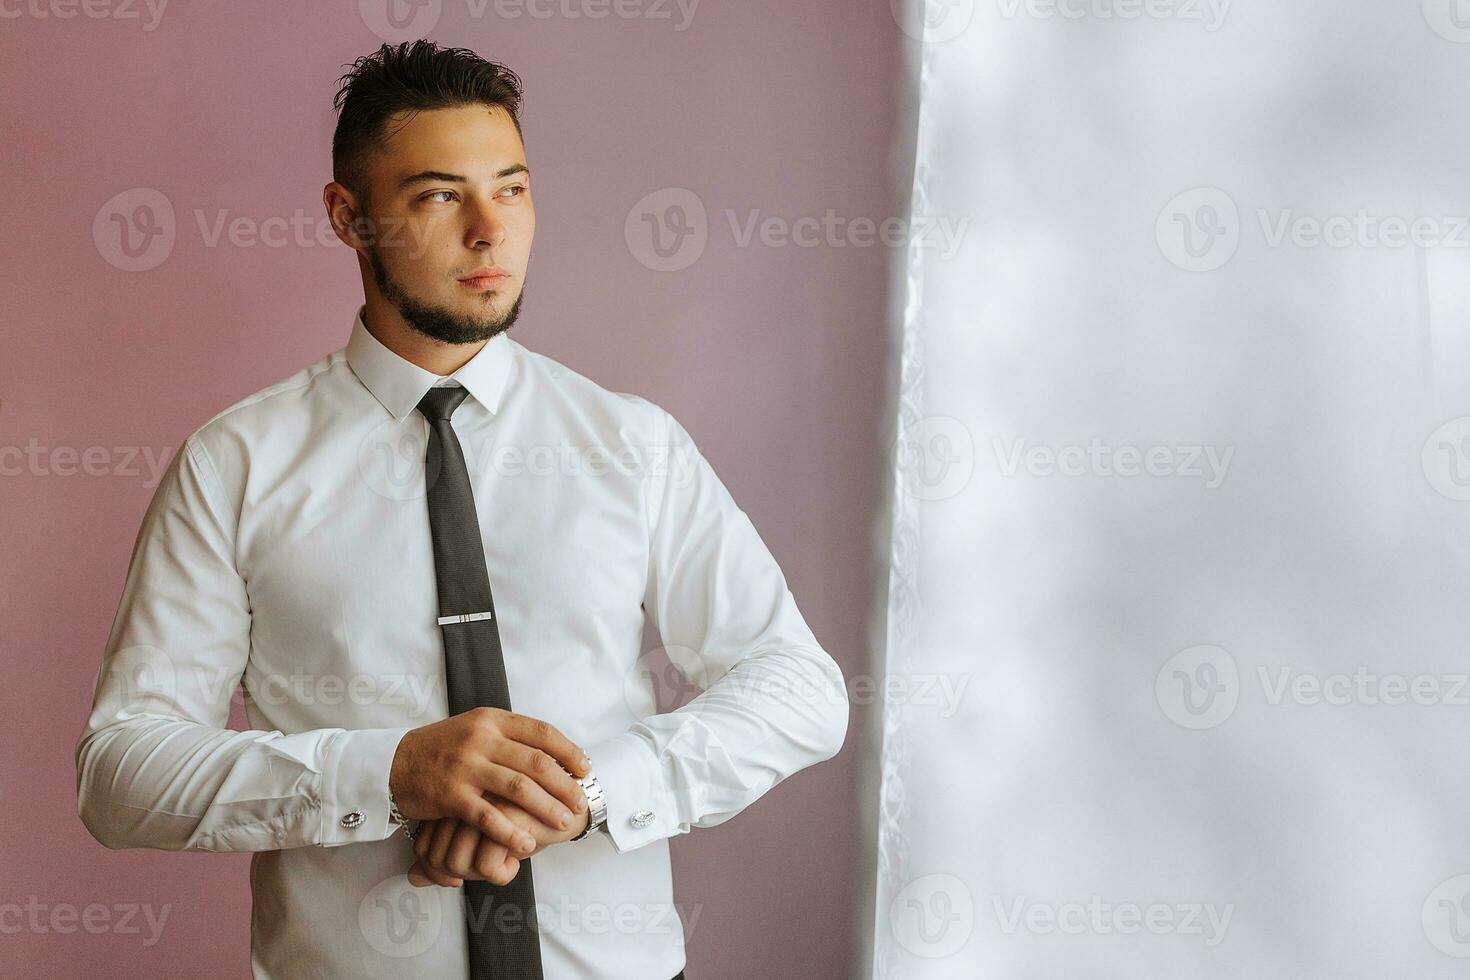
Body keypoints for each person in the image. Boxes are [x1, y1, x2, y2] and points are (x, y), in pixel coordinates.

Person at [74, 39, 849, 980]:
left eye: (512, 188)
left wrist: (578, 794)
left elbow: (801, 688)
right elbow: (122, 774)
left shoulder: (631, 445)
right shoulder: (235, 464)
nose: (491, 230)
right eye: (439, 195)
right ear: (348, 217)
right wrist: (392, 776)